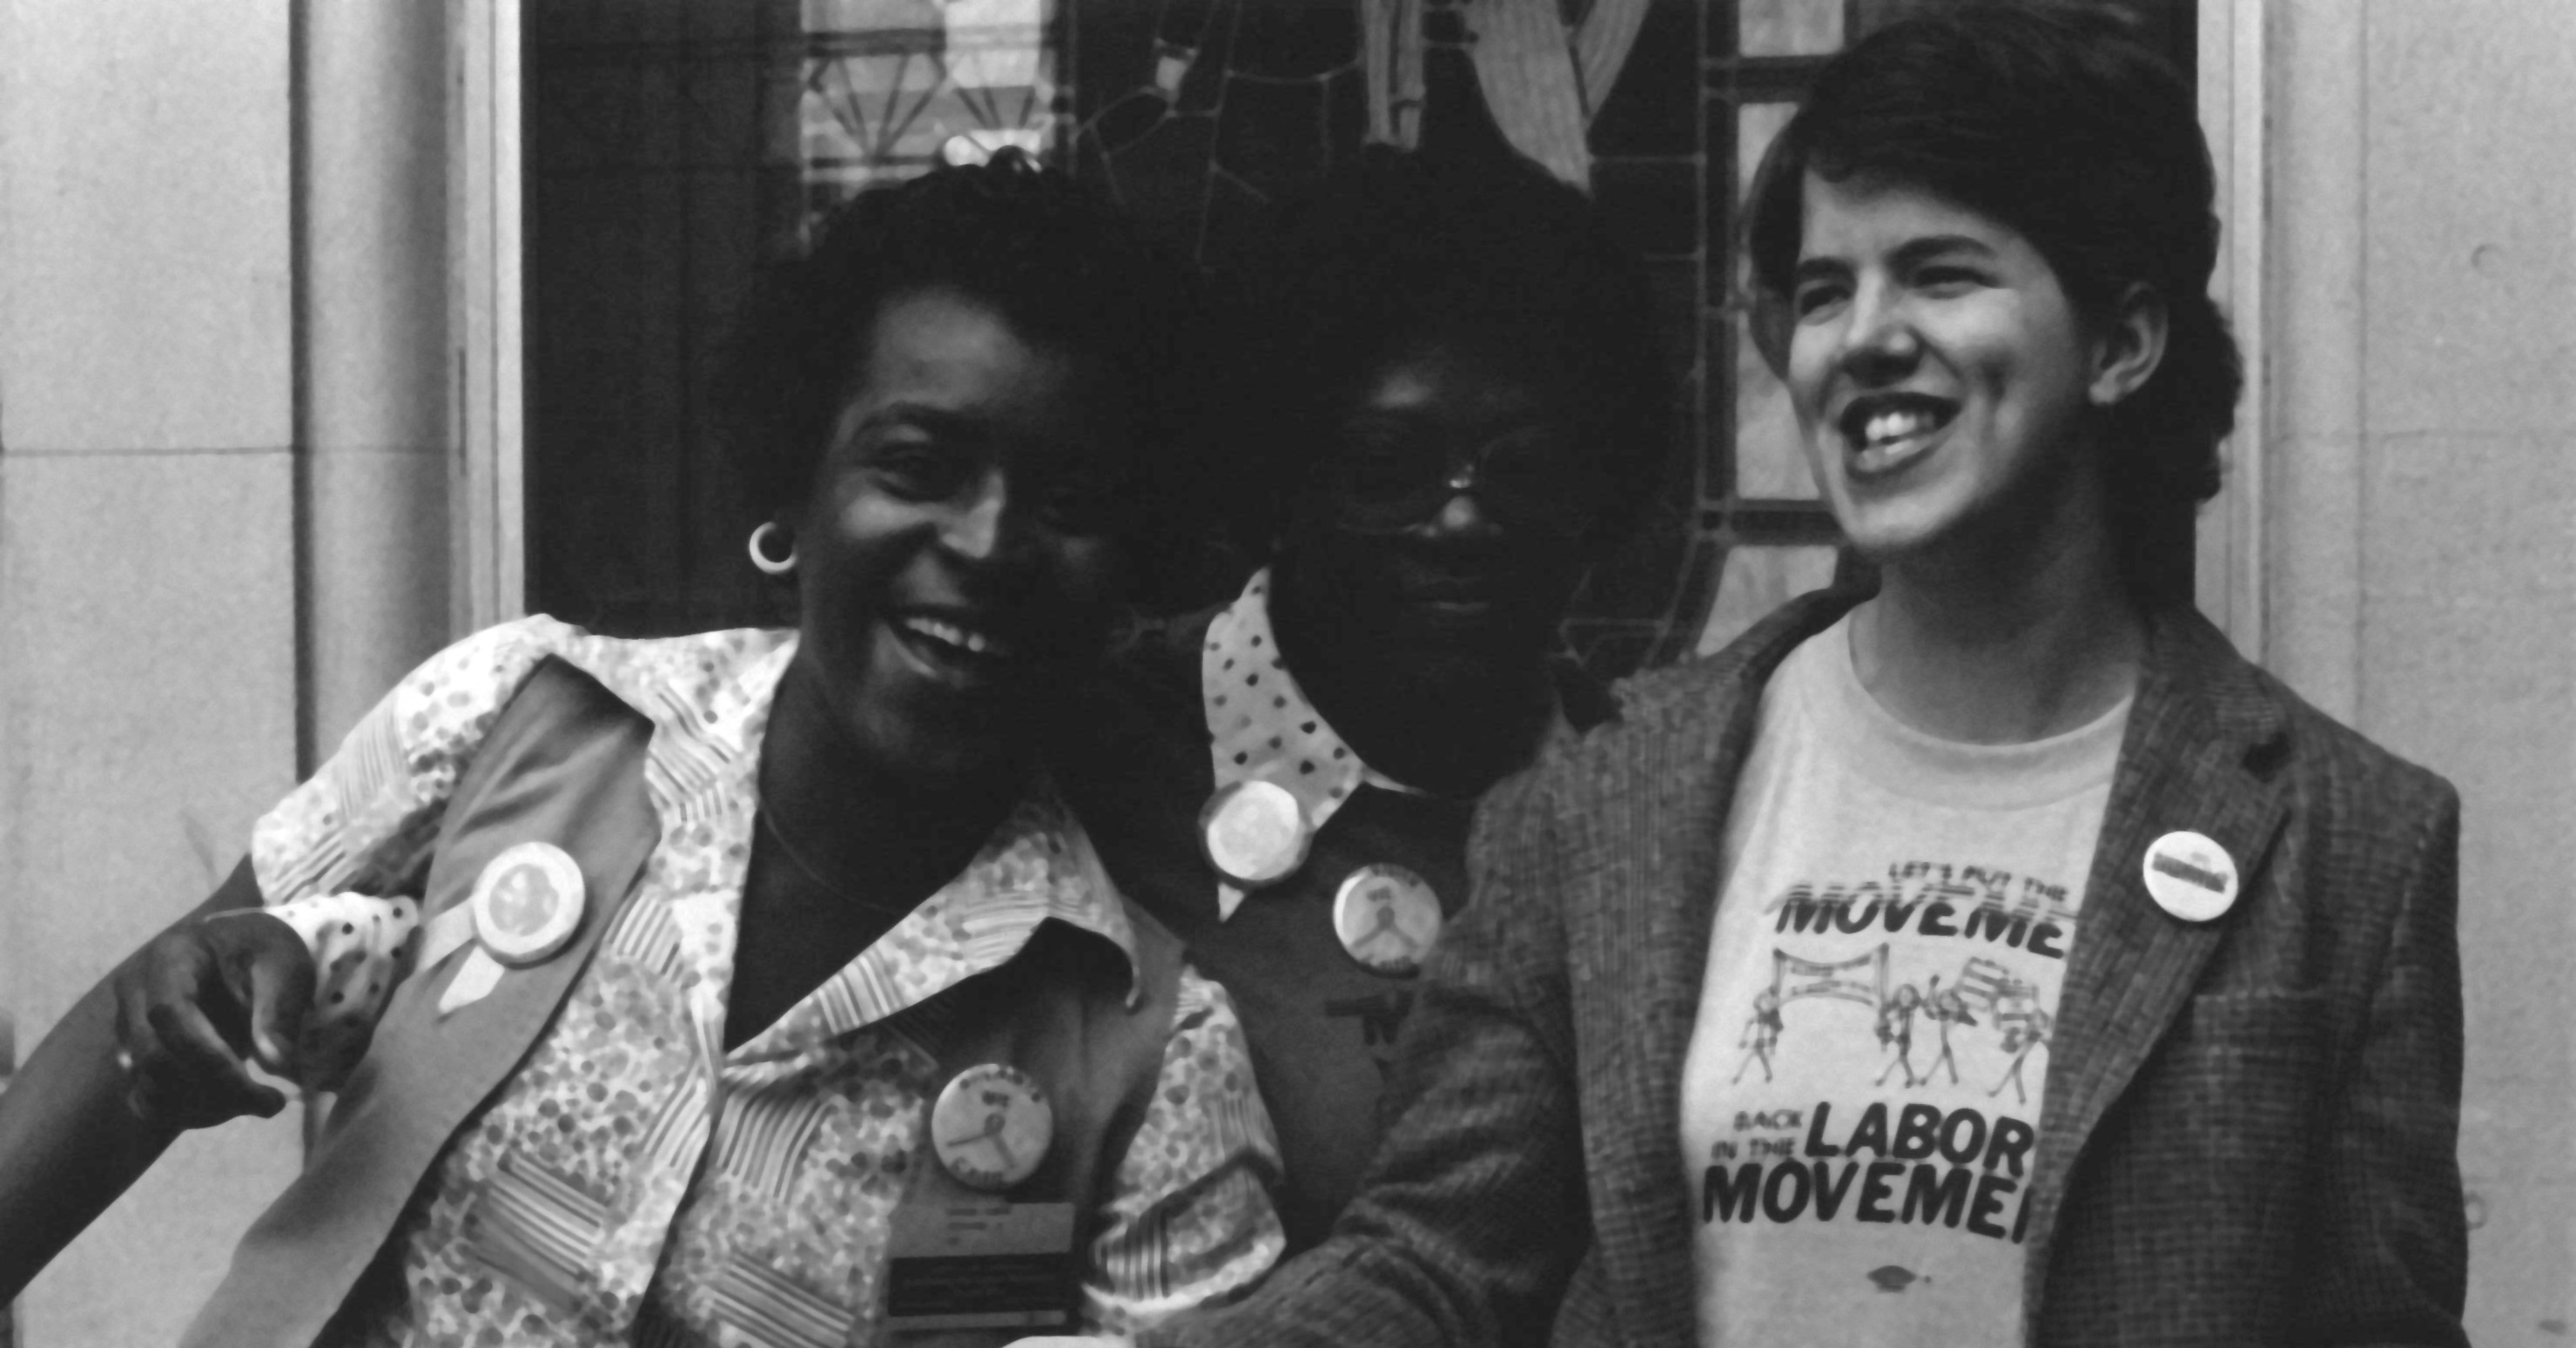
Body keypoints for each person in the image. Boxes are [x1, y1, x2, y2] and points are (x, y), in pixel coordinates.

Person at [1084, 6, 2469, 1345]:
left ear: (2119, 342)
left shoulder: (2345, 844)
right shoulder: (1605, 800)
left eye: (1937, 271)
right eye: (1820, 291)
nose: (1858, 336)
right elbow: (1436, 1261)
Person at [0, 154, 1285, 1347]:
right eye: (918, 463)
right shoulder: (524, 712)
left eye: (1068, 505)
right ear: (797, 486)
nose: (989, 543)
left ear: (1136, 564)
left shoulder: (1150, 1063)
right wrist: (204, 1000)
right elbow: (162, 1036)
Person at [1048, 145, 1665, 1255]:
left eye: (1520, 468)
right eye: (1389, 463)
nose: (1462, 522)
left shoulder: (1651, 795)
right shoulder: (1088, 748)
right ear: (1280, 474)